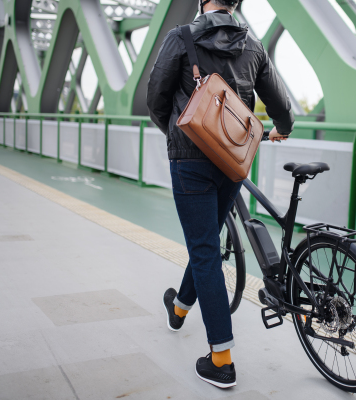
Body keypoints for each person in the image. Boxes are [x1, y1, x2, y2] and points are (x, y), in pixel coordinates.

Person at [146, 0, 294, 389]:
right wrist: (283, 126)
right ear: (236, 4)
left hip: (190, 160)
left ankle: (221, 360)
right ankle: (178, 309)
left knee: (205, 249)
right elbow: (280, 104)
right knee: (207, 243)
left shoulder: (181, 37)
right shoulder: (253, 45)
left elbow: (156, 100)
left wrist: (183, 135)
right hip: (232, 160)